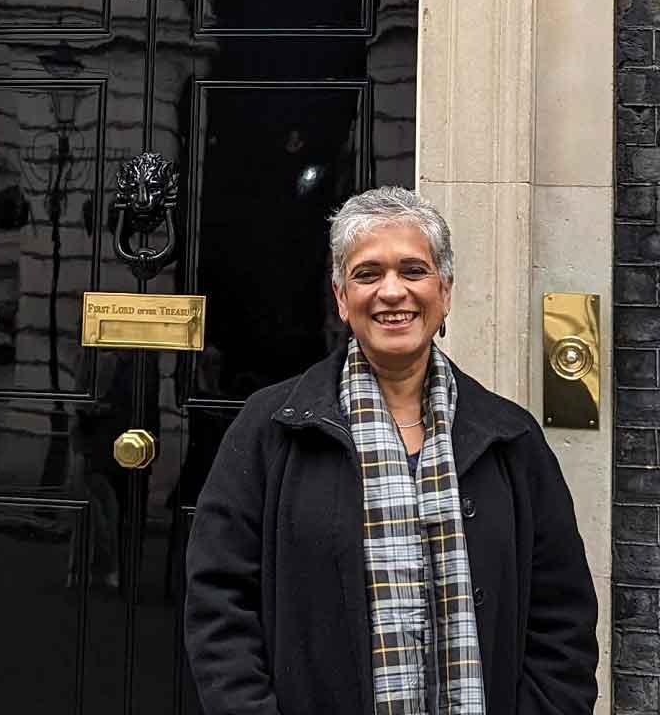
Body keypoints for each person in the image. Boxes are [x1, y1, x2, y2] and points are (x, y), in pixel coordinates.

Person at [183, 186, 598, 714]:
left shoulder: (511, 439)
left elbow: (562, 619)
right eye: (367, 274)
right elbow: (218, 604)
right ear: (341, 297)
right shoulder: (270, 429)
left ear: (445, 291)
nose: (392, 291)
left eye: (413, 270)